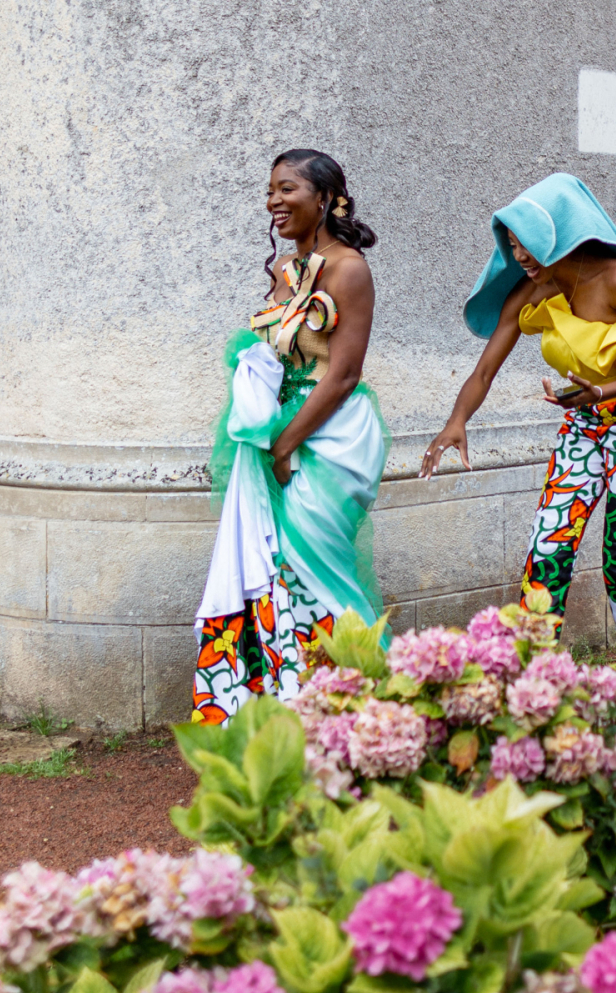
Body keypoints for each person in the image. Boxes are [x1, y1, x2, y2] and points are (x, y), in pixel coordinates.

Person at [421, 173, 616, 666]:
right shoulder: (532, 289)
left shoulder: (615, 278)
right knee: (548, 549)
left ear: (559, 231)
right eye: (512, 246)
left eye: (528, 244)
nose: (520, 256)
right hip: (585, 425)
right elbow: (484, 370)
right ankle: (534, 674)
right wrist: (456, 422)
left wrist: (601, 391)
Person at [192, 149, 391, 725]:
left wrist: (283, 445)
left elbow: (345, 373)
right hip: (282, 429)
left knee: (319, 568)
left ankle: (372, 712)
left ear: (326, 199)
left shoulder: (348, 269)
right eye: (270, 192)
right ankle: (298, 710)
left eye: (288, 190)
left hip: (330, 435)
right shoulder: (286, 271)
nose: (274, 202)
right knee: (279, 570)